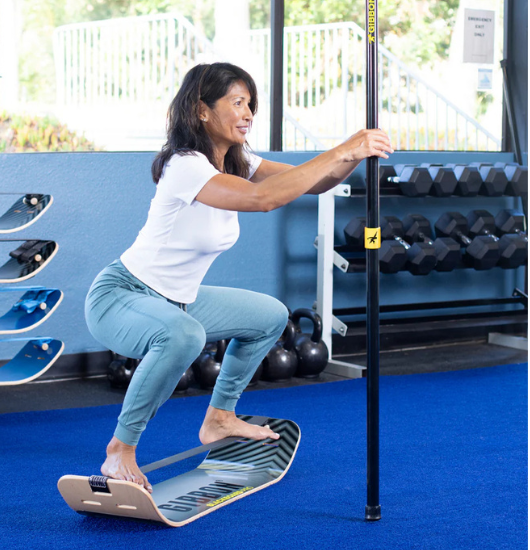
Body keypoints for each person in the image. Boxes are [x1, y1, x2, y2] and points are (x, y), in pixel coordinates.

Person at [84, 62, 393, 493]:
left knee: (269, 316)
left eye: (250, 104)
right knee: (184, 336)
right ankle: (120, 448)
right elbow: (264, 200)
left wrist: (354, 154)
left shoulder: (237, 160)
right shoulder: (186, 165)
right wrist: (344, 148)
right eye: (237, 102)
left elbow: (315, 184)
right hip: (121, 297)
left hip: (178, 301)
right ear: (202, 110)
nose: (248, 113)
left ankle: (220, 418)